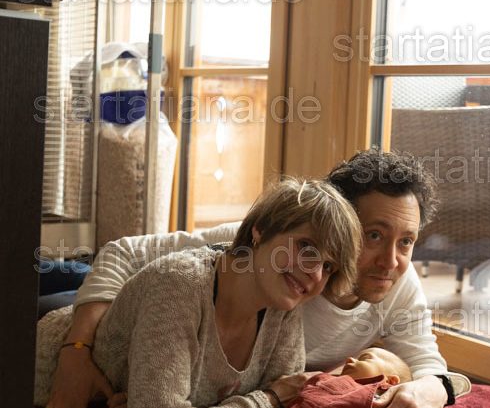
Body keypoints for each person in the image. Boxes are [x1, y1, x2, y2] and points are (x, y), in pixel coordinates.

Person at [47, 149, 461, 408]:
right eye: (374, 235)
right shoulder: (252, 250)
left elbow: (434, 369)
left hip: (173, 352)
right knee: (55, 276)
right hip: (99, 316)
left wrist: (420, 394)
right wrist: (76, 352)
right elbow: (123, 253)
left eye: (406, 242)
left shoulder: (384, 283)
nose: (390, 261)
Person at [35, 178, 361, 408]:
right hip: (33, 373)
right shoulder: (180, 284)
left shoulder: (284, 308)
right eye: (306, 247)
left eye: (328, 266)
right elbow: (277, 397)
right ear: (260, 230)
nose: (315, 274)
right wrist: (268, 399)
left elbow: (290, 400)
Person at [289, 347, 413, 408]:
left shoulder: (380, 399)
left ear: (391, 381)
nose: (350, 359)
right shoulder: (326, 380)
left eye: (365, 358)